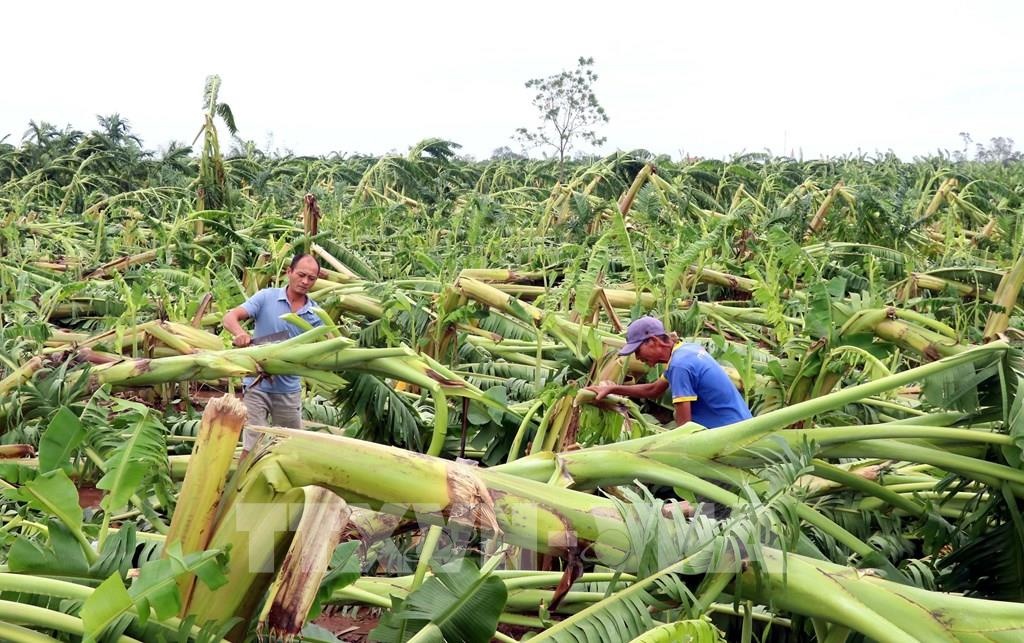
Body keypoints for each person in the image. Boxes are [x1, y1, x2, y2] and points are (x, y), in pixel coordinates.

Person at [221, 253, 324, 455]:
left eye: (311, 278)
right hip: (256, 386)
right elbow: (230, 317)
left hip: (288, 390)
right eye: (301, 275)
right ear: (289, 272)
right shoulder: (266, 297)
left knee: (288, 447)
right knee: (252, 446)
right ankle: (244, 477)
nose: (305, 281)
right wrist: (240, 333)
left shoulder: (316, 315)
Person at [587, 316, 751, 428]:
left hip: (730, 436)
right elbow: (654, 389)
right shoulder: (686, 350)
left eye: (638, 350)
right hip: (742, 424)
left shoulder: (680, 366)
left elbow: (684, 429)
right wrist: (613, 388)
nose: (637, 357)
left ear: (653, 341)